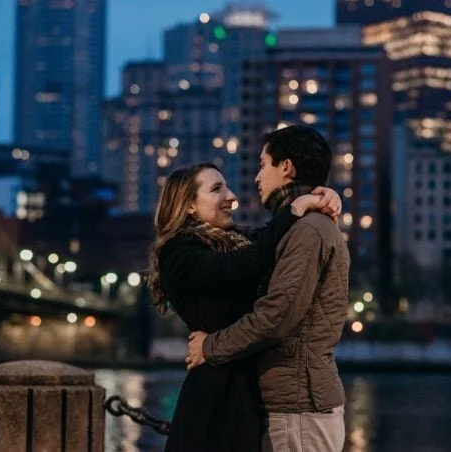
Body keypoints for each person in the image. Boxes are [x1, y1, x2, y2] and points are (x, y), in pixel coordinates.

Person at [149, 163, 340, 451]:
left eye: (227, 187)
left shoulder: (233, 241)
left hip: (242, 390)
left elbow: (267, 241)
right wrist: (295, 208)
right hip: (216, 400)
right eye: (217, 189)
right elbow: (248, 262)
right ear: (188, 204)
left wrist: (325, 197)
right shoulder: (178, 253)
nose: (232, 196)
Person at [186, 125, 351, 452]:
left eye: (263, 165)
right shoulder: (300, 228)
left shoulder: (308, 231)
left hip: (298, 408)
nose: (257, 178)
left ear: (286, 167)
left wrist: (209, 347)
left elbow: (276, 317)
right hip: (293, 404)